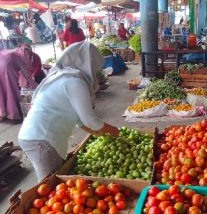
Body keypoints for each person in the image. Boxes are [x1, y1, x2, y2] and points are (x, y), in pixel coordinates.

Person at [18, 42, 120, 182]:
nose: (96, 72)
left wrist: (97, 133)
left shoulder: (63, 77)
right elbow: (89, 119)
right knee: (51, 186)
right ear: (86, 63)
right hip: (42, 139)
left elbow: (79, 120)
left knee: (50, 183)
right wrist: (113, 131)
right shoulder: (74, 82)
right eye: (94, 67)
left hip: (34, 136)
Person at [0, 45, 38, 121]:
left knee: (1, 91)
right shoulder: (19, 56)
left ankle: (2, 113)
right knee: (10, 90)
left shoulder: (11, 52)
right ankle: (13, 114)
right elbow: (26, 74)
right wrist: (36, 87)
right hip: (7, 70)